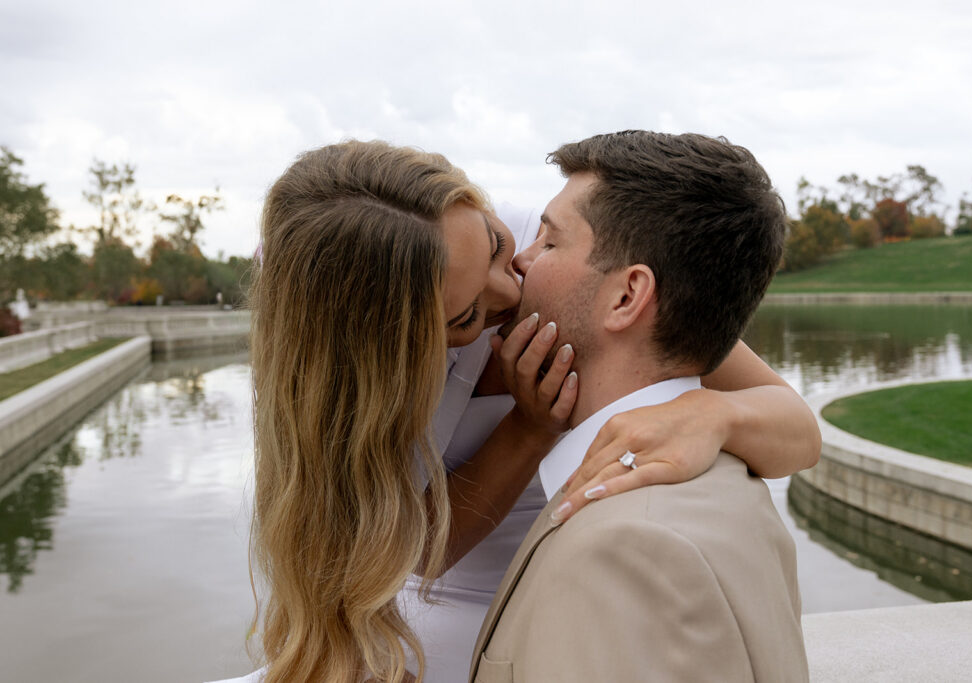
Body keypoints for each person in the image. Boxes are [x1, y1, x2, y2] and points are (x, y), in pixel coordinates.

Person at [226, 139, 818, 683]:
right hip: (449, 604)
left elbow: (797, 429)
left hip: (589, 581)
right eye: (465, 318)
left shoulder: (559, 255)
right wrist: (530, 428)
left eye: (496, 245)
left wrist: (711, 415)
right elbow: (409, 554)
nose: (511, 291)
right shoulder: (352, 379)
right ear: (391, 347)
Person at [469, 131, 808, 682]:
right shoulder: (734, 481)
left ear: (627, 296)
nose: (523, 260)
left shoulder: (623, 548)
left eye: (549, 243)